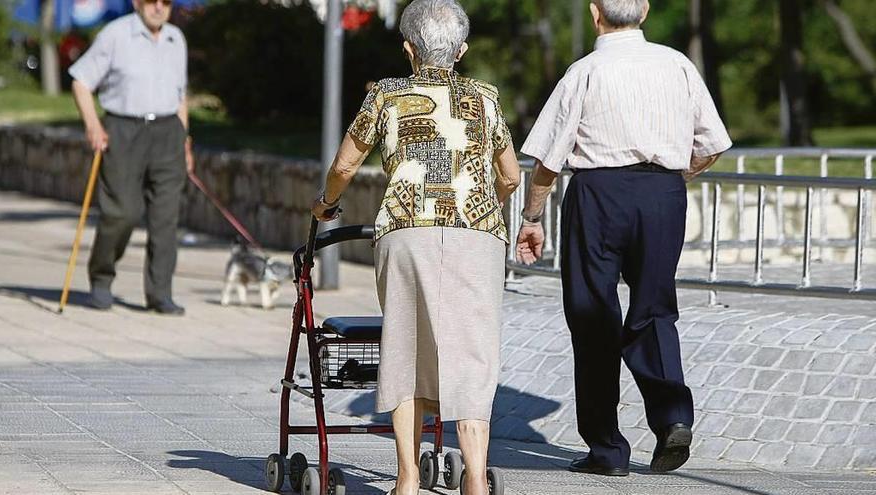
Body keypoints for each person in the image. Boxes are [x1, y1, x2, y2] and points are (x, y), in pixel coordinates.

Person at [515, 0, 731, 477]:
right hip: (663, 194)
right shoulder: (678, 65)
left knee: (593, 316)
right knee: (654, 309)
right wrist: (667, 182)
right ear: (646, 11)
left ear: (596, 14)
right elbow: (712, 144)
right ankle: (673, 416)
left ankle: (608, 451)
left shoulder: (585, 71)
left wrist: (532, 215)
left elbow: (549, 158)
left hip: (599, 193)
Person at [311, 1, 520, 493]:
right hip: (478, 234)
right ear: (462, 51)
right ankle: (473, 477)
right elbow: (509, 173)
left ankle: (407, 477)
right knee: (472, 354)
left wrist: (327, 204)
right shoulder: (485, 97)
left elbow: (343, 168)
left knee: (405, 347)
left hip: (406, 231)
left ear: (408, 48)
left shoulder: (386, 95)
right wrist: (487, 200)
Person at [69, 0, 194, 315]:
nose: (158, 7)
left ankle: (160, 293)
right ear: (137, 3)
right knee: (122, 211)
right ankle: (101, 277)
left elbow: (180, 96)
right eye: (151, 1)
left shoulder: (176, 39)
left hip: (168, 132)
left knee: (166, 217)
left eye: (165, 2)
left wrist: (185, 142)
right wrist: (93, 126)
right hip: (124, 129)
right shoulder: (115, 34)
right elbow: (81, 82)